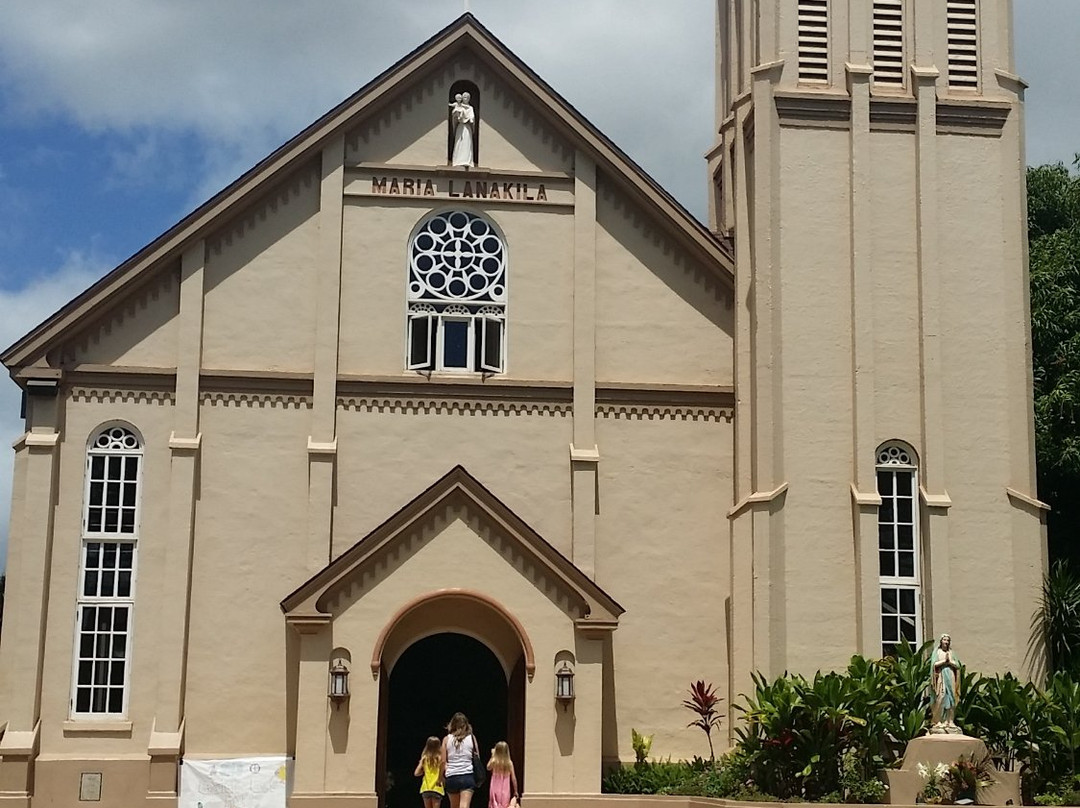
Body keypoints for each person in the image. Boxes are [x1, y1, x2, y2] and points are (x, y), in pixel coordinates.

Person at [441, 712, 479, 808]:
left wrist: (440, 777)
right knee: (464, 805)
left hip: (452, 776)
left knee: (454, 806)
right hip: (467, 775)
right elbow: (477, 756)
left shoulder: (446, 739)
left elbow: (443, 762)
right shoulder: (472, 738)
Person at [930, 633, 961, 729]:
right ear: (941, 641)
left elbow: (958, 665)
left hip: (950, 676)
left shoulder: (951, 653)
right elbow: (933, 665)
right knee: (941, 697)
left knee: (951, 698)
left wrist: (950, 662)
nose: (946, 642)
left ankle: (950, 720)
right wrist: (944, 662)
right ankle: (938, 720)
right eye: (944, 640)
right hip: (940, 676)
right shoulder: (937, 652)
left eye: (948, 640)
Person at [486, 741, 519, 808]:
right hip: (505, 788)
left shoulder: (494, 761)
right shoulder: (509, 763)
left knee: (494, 804)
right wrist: (516, 791)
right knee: (505, 804)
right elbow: (513, 778)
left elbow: (488, 768)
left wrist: (492, 755)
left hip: (494, 787)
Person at [414, 736, 444, 808]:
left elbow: (416, 773)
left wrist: (422, 768)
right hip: (437, 787)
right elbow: (443, 770)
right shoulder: (440, 758)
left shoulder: (424, 758)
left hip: (426, 788)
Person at [449, 92, 475, 167]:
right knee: (459, 143)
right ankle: (458, 160)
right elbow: (454, 116)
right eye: (464, 97)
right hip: (460, 127)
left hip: (467, 128)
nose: (465, 99)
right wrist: (456, 114)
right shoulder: (459, 106)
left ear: (469, 99)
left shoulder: (470, 108)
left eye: (467, 97)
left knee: (467, 143)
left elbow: (472, 117)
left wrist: (468, 119)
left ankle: (467, 160)